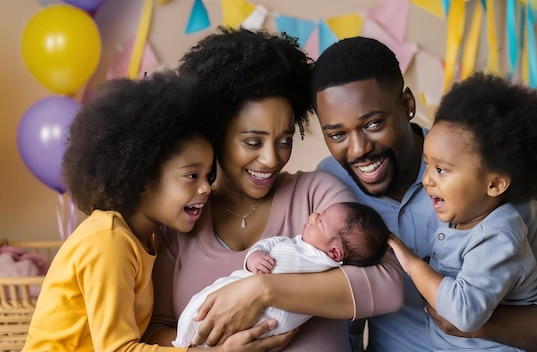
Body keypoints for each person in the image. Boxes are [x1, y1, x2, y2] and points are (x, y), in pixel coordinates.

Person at [311, 36, 537, 351]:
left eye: (374, 124)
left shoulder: (483, 169)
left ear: (407, 105)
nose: (359, 149)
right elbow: (335, 304)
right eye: (337, 134)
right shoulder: (330, 184)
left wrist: (480, 325)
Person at [144, 27, 404, 352]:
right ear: (215, 133)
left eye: (285, 141)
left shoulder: (316, 194)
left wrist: (262, 290)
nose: (271, 159)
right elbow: (155, 331)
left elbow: (389, 286)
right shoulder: (181, 219)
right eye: (253, 142)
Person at [23, 70, 229, 351]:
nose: (206, 188)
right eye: (192, 176)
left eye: (209, 176)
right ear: (142, 179)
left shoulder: (145, 238)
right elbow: (119, 349)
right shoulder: (109, 242)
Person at [387, 72, 537, 350]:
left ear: (494, 184)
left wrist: (411, 264)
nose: (426, 179)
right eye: (428, 165)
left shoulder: (499, 237)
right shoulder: (459, 219)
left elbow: (463, 314)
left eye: (442, 170)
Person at [173, 201, 390, 347]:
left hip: (268, 324)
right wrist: (254, 257)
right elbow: (270, 244)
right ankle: (186, 342)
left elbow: (382, 283)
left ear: (334, 253)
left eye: (321, 221)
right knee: (203, 309)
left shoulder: (325, 264)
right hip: (229, 294)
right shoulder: (297, 243)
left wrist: (263, 290)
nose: (313, 216)